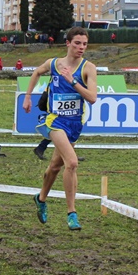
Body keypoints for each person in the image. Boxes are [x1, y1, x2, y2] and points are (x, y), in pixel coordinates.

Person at [23, 27, 98, 230]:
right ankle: (71, 213)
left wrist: (72, 81)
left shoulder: (88, 68)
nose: (81, 47)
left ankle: (41, 198)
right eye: (77, 43)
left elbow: (92, 98)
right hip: (55, 121)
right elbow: (37, 72)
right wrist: (28, 96)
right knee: (72, 163)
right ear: (68, 43)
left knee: (56, 166)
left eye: (84, 44)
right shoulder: (54, 64)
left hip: (75, 124)